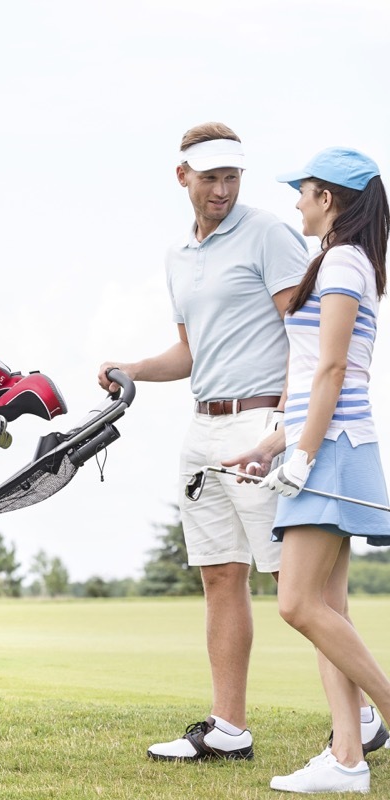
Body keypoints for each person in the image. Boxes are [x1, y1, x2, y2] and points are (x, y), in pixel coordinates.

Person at [98, 121, 315, 762]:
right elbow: (191, 353)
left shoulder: (270, 235)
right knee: (221, 576)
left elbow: (306, 337)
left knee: (298, 585)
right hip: (204, 428)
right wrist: (135, 369)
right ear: (182, 176)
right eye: (211, 177)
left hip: (263, 425)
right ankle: (228, 728)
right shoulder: (178, 257)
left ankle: (361, 717)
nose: (223, 189)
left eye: (232, 176)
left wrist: (287, 429)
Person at [223, 147, 390, 793]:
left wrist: (303, 457)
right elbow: (315, 380)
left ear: (333, 199)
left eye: (306, 192)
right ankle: (348, 759)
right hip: (327, 444)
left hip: (334, 450)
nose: (297, 202)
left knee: (296, 604)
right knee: (329, 610)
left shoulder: (345, 261)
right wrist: (274, 443)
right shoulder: (347, 260)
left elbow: (331, 372)